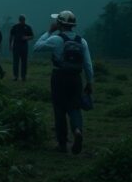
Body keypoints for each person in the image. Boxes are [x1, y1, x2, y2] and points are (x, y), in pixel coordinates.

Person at [33, 10, 94, 155]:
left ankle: (62, 144)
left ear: (59, 24)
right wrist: (89, 82)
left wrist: (49, 31)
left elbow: (36, 47)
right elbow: (88, 64)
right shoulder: (82, 41)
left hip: (59, 77)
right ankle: (77, 130)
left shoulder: (56, 39)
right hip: (76, 78)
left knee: (59, 110)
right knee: (74, 108)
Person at [9, 15, 34, 81]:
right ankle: (15, 76)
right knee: (15, 62)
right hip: (16, 46)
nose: (22, 21)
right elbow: (11, 36)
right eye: (21, 19)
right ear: (19, 20)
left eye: (23, 19)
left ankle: (23, 76)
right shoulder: (15, 27)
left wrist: (26, 37)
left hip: (24, 46)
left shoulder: (28, 27)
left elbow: (32, 36)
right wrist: (10, 45)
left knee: (24, 62)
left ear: (24, 20)